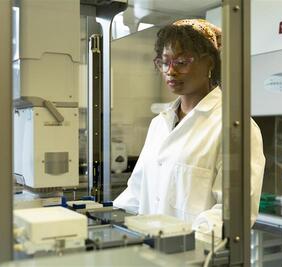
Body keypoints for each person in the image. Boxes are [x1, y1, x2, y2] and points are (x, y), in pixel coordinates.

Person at [114, 19, 265, 228]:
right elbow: (137, 192)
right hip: (148, 251)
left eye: (182, 62)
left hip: (195, 256)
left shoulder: (235, 127)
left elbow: (233, 213)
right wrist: (108, 223)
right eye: (164, 62)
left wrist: (187, 250)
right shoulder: (159, 124)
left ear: (210, 63)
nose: (170, 71)